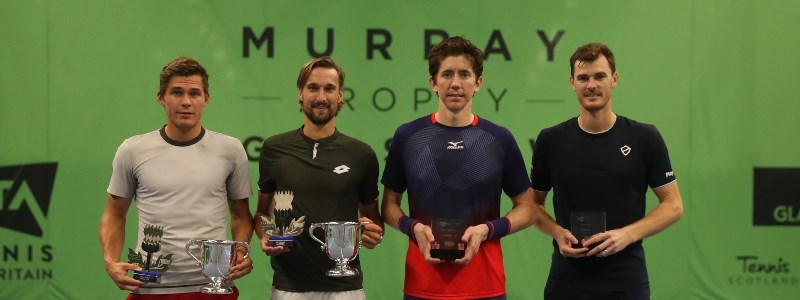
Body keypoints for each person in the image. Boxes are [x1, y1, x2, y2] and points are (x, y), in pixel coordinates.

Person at [381, 36, 535, 300]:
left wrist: (487, 230)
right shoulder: (408, 136)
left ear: (478, 83)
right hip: (423, 286)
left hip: (485, 286)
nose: (455, 83)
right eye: (447, 74)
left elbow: (528, 208)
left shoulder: (500, 139)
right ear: (433, 83)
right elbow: (389, 205)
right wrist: (413, 228)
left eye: (464, 74)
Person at [529, 42, 685, 299]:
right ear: (572, 83)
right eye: (583, 78)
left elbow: (674, 204)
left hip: (627, 279)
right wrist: (557, 232)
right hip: (567, 278)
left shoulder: (645, 137)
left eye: (599, 76)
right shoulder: (550, 140)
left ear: (614, 79)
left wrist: (627, 235)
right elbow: (532, 205)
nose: (591, 85)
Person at [99, 57, 255, 299]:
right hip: (150, 289)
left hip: (213, 288)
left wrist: (241, 251)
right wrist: (110, 261)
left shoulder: (231, 150)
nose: (185, 102)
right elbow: (114, 213)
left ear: (206, 99)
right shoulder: (132, 150)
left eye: (194, 93)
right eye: (176, 93)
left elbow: (241, 215)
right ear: (161, 98)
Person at [253, 56, 383, 300]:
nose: (321, 97)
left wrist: (372, 233)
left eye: (329, 88)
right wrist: (264, 235)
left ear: (340, 95)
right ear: (300, 94)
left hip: (346, 289)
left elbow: (372, 219)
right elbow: (262, 213)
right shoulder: (274, 148)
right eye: (313, 88)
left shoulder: (362, 155)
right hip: (288, 289)